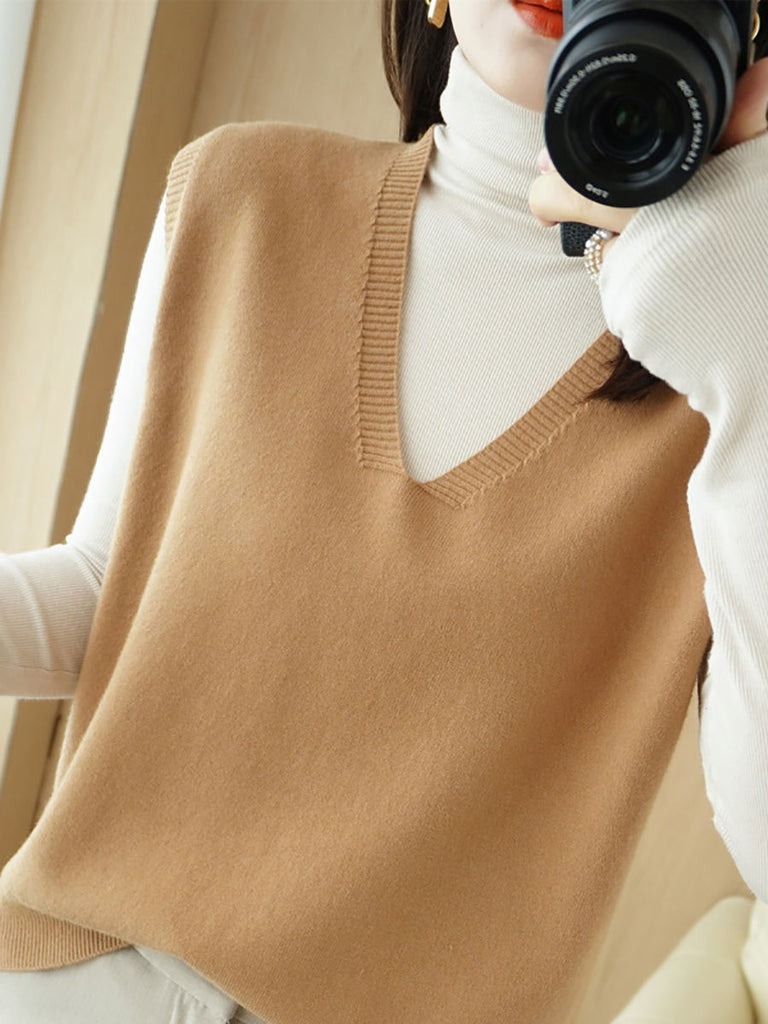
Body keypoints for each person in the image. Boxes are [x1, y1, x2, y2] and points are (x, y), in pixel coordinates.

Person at [0, 0, 767, 1021]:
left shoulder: (717, 374)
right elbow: (113, 587)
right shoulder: (243, 196)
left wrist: (748, 360)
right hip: (70, 979)